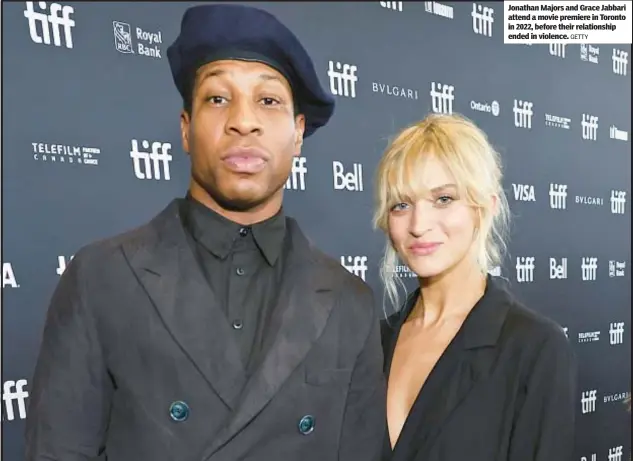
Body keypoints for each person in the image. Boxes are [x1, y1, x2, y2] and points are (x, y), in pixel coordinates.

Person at [25, 4, 386, 461]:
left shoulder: (348, 302)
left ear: (298, 134)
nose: (243, 120)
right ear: (185, 129)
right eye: (218, 98)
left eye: (268, 100)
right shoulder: (99, 279)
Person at [373, 113, 577, 461]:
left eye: (443, 199)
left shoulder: (534, 348)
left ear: (484, 209)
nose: (419, 225)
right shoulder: (373, 342)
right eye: (402, 204)